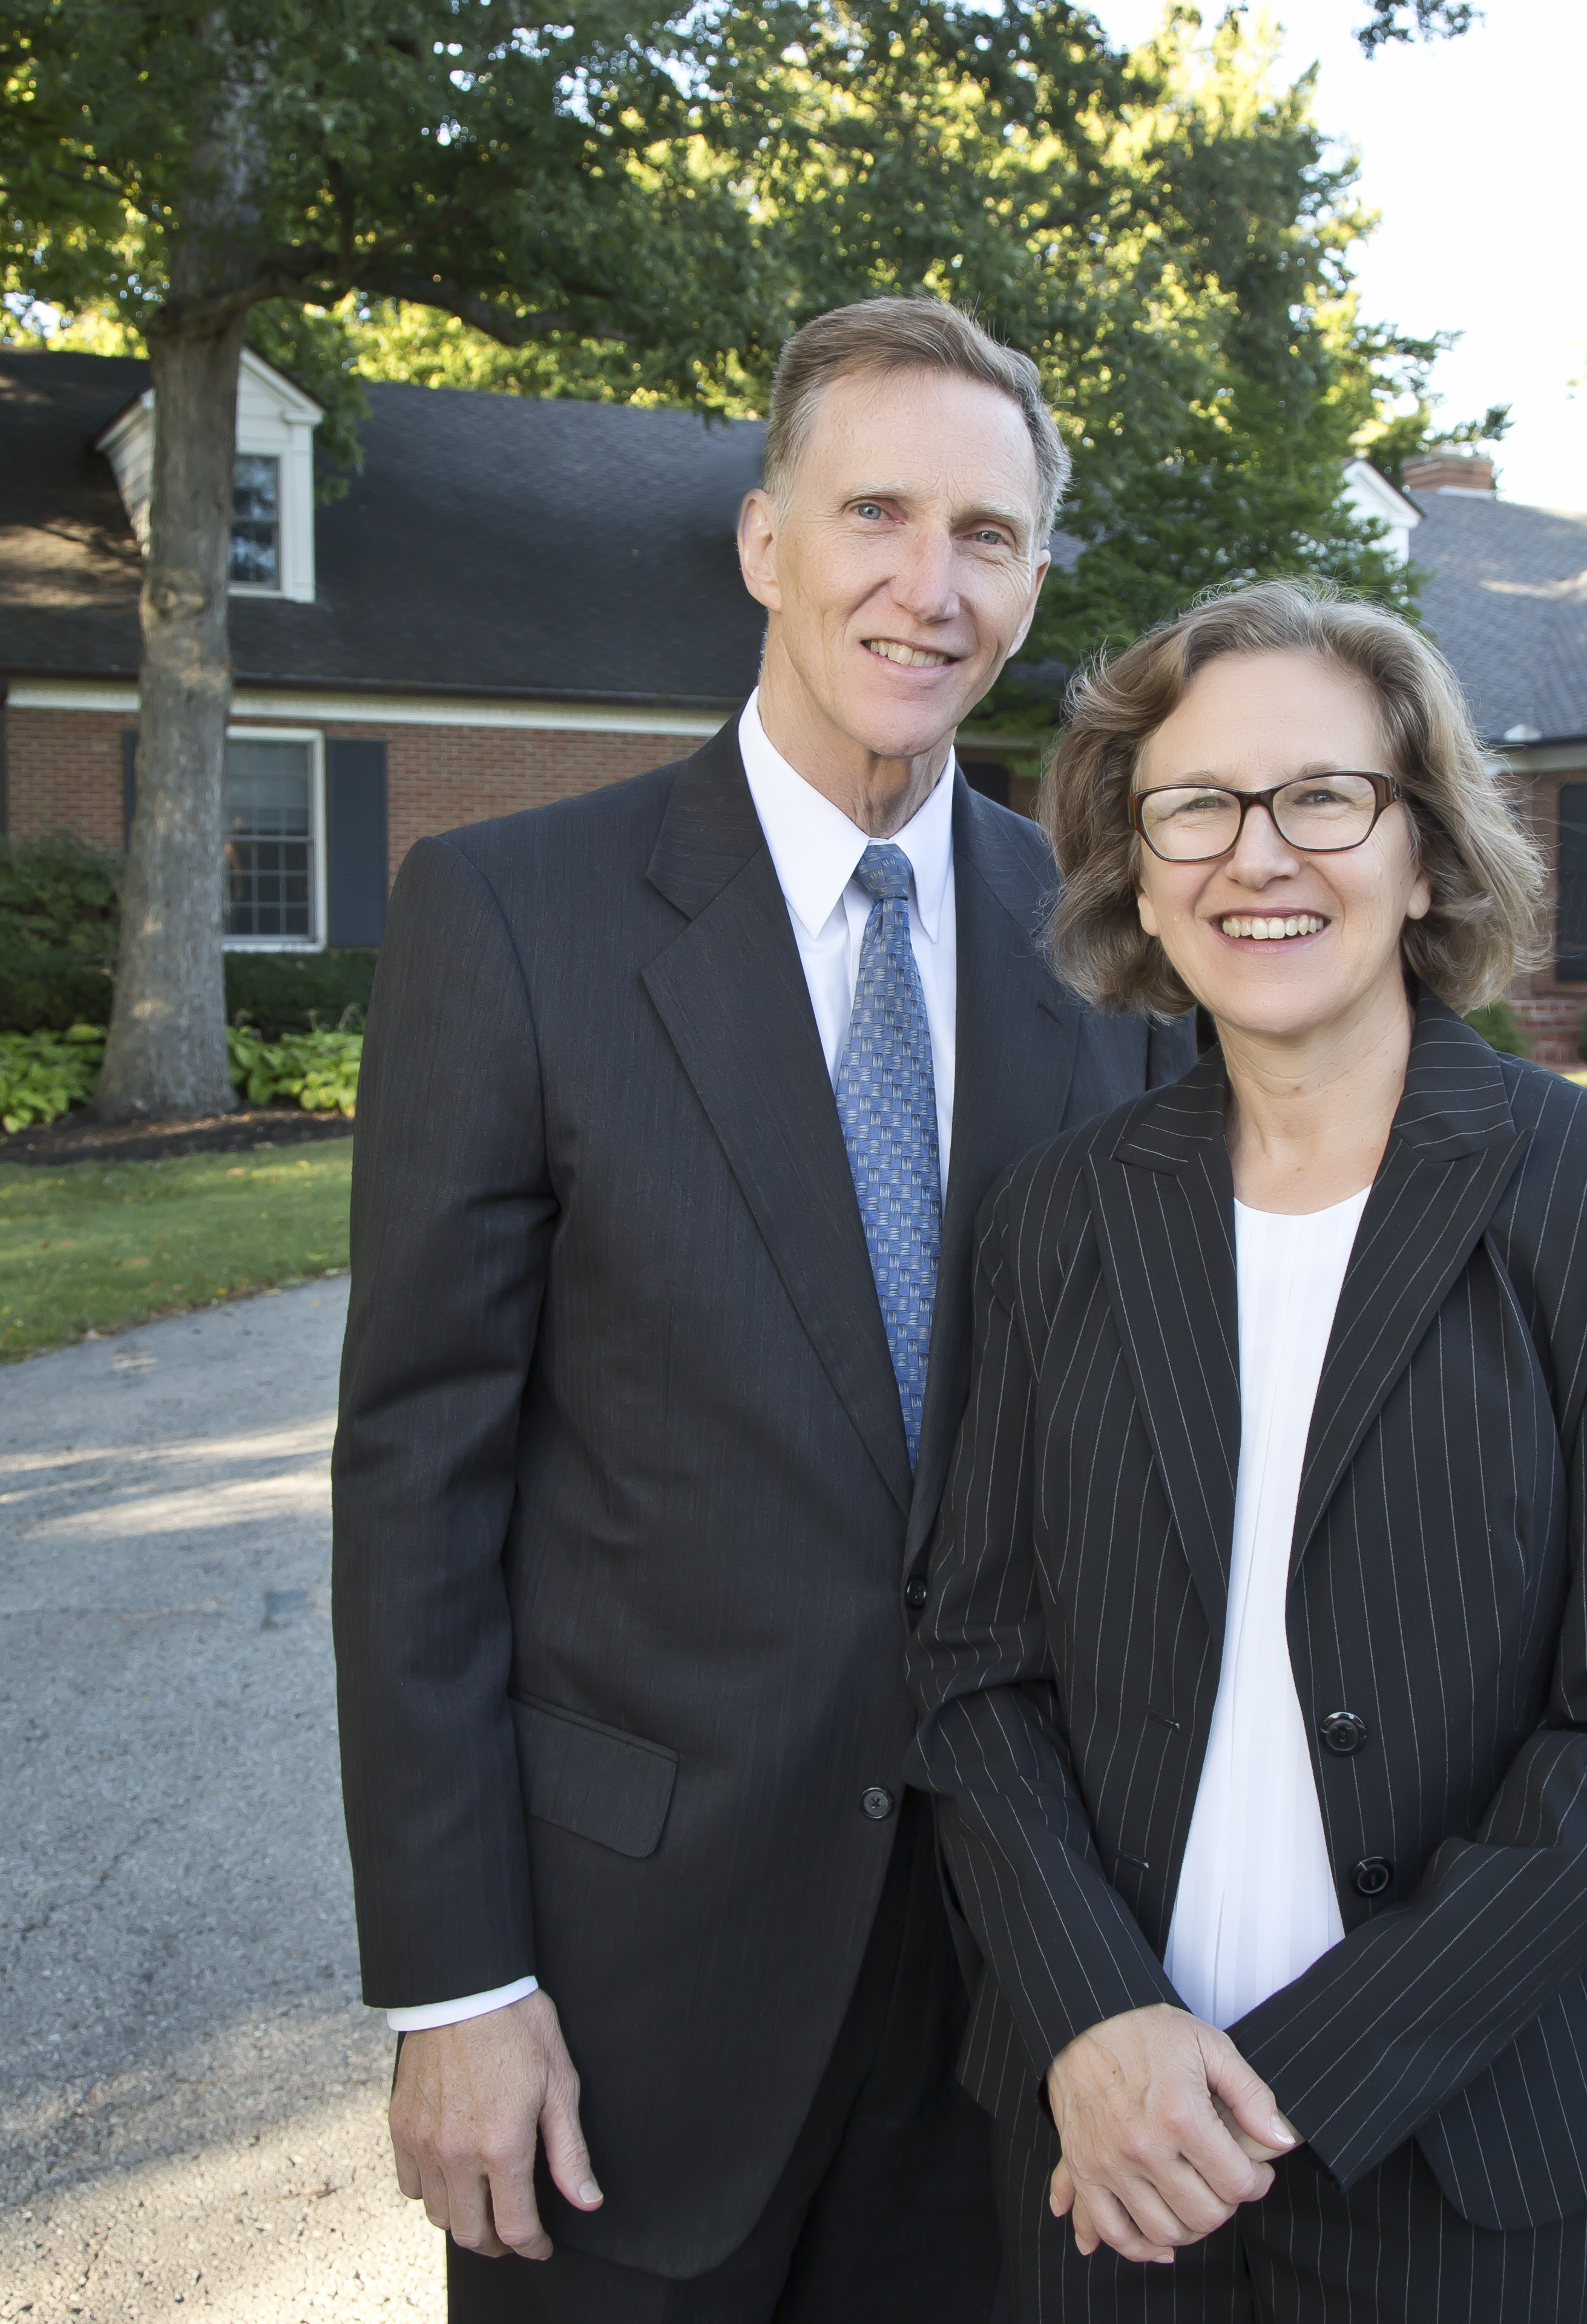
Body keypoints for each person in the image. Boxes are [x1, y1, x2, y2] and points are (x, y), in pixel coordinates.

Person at [332, 296, 1194, 2322]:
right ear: (763, 544)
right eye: (876, 510)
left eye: (987, 534)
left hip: (1012, 1988)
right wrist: (459, 1982)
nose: (929, 581)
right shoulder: (516, 920)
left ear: (1034, 579)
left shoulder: (1109, 957)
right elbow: (418, 1479)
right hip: (632, 1986)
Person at [909, 581, 1587, 2320]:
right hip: (1108, 2153)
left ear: (1426, 853)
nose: (1259, 856)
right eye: (1196, 807)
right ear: (1138, 876)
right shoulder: (1058, 1224)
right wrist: (1094, 2018)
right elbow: (972, 1670)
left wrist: (1304, 2081)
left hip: (1468, 2151)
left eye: (1325, 798)